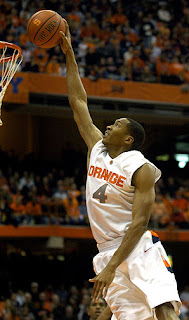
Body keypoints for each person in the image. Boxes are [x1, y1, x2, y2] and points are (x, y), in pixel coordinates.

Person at [59, 21, 181, 320]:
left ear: (128, 139)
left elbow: (140, 223)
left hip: (138, 246)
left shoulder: (140, 167)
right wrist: (69, 54)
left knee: (163, 305)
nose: (109, 125)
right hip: (105, 249)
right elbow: (78, 102)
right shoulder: (97, 149)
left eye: (117, 124)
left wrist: (114, 266)